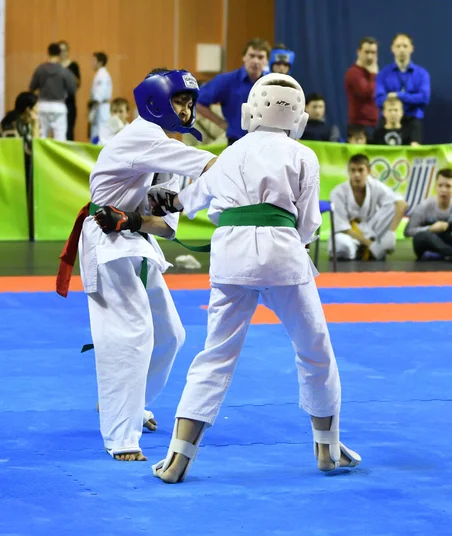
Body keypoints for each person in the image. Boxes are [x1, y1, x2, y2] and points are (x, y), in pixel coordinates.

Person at [142, 73, 360, 484]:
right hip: (283, 254)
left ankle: (177, 458)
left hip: (230, 257)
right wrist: (286, 240)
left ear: (250, 112)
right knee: (315, 350)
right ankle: (327, 449)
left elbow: (188, 201)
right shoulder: (302, 155)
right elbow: (310, 223)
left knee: (215, 354)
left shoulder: (230, 153)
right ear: (298, 116)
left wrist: (161, 200)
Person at [55, 68, 216, 462]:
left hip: (134, 241)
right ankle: (121, 437)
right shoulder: (143, 135)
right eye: (179, 101)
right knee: (131, 335)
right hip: (106, 242)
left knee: (170, 335)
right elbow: (210, 165)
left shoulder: (166, 151)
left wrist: (133, 220)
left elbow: (164, 226)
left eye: (190, 103)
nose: (186, 110)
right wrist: (250, 168)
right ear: (157, 102)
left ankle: (131, 403)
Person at [329, 154, 408, 260]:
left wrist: (391, 232)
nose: (356, 174)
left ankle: (371, 248)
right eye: (353, 170)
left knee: (394, 205)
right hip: (350, 235)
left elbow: (401, 204)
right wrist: (370, 244)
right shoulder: (338, 192)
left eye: (360, 170)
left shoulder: (375, 186)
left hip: (371, 231)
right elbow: (342, 227)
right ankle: (363, 250)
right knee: (342, 246)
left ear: (368, 171)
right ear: (348, 171)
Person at [197, 37, 271, 145]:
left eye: (260, 57)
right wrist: (222, 124)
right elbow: (198, 102)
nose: (255, 61)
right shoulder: (226, 80)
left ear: (266, 61)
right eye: (252, 56)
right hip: (237, 141)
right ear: (244, 57)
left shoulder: (272, 82)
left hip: (265, 142)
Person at [375, 34, 430, 142]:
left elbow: (424, 98)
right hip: (387, 122)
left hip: (412, 120)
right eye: (398, 46)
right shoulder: (383, 74)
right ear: (392, 49)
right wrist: (410, 99)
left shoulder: (422, 74)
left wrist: (398, 95)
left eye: (405, 46)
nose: (401, 50)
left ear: (411, 49)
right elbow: (379, 100)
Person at [29, 43, 77, 141]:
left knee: (41, 137)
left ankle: (39, 156)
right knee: (60, 139)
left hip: (42, 106)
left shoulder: (40, 69)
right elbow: (72, 89)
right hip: (59, 107)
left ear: (48, 53)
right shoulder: (64, 71)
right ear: (59, 54)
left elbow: (31, 87)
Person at [344, 36, 379, 136]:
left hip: (374, 124)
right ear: (358, 52)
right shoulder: (353, 73)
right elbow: (367, 93)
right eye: (367, 52)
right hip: (358, 126)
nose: (370, 57)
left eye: (373, 53)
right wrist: (373, 74)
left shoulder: (375, 73)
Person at [59, 40, 81, 141]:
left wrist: (67, 72)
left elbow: (78, 83)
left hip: (69, 102)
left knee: (69, 130)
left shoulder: (73, 65)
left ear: (68, 51)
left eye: (65, 50)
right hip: (58, 101)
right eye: (60, 51)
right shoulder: (56, 66)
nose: (63, 53)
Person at [89, 51, 112, 142]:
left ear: (100, 62)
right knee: (96, 133)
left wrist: (93, 109)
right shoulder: (100, 74)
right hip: (99, 107)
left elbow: (99, 96)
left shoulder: (102, 75)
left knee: (101, 133)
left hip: (101, 107)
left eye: (94, 60)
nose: (92, 63)